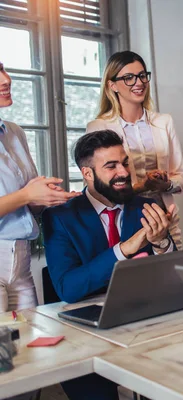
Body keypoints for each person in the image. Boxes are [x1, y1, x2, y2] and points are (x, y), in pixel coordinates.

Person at [43, 130, 175, 304]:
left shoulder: (147, 207)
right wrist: (123, 249)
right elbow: (67, 289)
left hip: (145, 307)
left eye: (125, 163)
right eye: (111, 166)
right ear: (87, 174)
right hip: (88, 315)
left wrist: (161, 243)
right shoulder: (60, 218)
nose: (124, 173)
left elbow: (172, 276)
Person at [0, 61, 80, 313]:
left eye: (3, 69)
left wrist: (44, 199)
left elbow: (25, 203)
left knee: (29, 348)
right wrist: (27, 194)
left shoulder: (13, 132)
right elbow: (22, 195)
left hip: (21, 262)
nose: (5, 79)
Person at [87, 50, 183, 249]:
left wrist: (164, 185)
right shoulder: (98, 127)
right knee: (131, 277)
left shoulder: (164, 122)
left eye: (142, 76)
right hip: (123, 221)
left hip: (164, 218)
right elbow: (99, 188)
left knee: (171, 276)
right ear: (111, 85)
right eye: (129, 78)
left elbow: (181, 179)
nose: (138, 83)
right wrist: (143, 185)